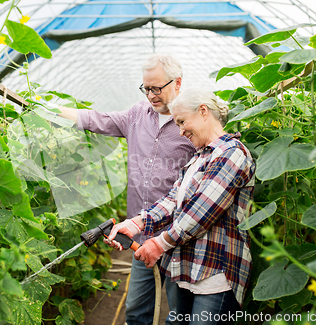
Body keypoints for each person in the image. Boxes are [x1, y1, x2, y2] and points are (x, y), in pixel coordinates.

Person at [55, 54, 195, 325]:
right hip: (141, 234)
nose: (151, 95)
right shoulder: (135, 116)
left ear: (177, 83)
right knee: (136, 311)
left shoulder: (189, 122)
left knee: (179, 314)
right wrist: (48, 110)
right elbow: (97, 120)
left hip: (179, 237)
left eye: (157, 88)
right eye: (146, 88)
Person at [108, 88, 256, 325]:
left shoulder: (232, 153)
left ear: (204, 112)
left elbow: (200, 212)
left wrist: (158, 243)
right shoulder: (198, 158)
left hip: (215, 275)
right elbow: (171, 201)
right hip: (187, 271)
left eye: (182, 121)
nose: (180, 131)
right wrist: (136, 223)